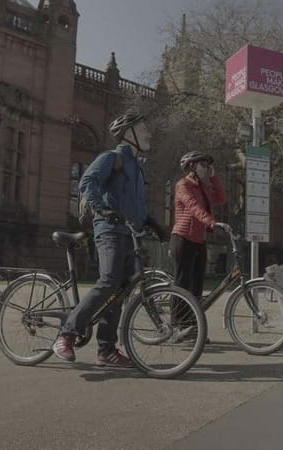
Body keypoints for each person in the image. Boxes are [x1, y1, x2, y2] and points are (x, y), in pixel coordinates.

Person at [52, 110, 168, 367]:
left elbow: (135, 205)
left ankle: (106, 350)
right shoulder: (111, 158)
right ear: (129, 133)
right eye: (143, 128)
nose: (148, 133)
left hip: (130, 234)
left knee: (121, 292)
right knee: (108, 282)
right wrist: (100, 207)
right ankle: (66, 334)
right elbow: (87, 181)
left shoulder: (137, 169)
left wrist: (151, 222)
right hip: (109, 231)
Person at [170, 151, 227, 336]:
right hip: (183, 238)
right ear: (192, 166)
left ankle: (192, 327)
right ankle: (177, 325)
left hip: (198, 240)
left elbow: (221, 198)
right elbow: (194, 207)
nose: (207, 168)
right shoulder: (183, 185)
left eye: (208, 165)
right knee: (182, 284)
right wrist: (211, 222)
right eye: (203, 165)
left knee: (196, 287)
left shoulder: (204, 188)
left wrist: (214, 176)